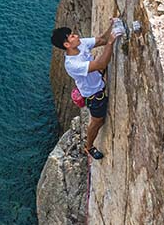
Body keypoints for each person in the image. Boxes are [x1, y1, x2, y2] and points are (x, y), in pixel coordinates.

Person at [51, 18, 126, 160]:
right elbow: (102, 63)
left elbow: (101, 40)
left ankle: (89, 144)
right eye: (72, 36)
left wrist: (112, 25)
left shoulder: (80, 45)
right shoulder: (72, 65)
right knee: (97, 121)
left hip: (99, 86)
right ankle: (89, 147)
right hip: (94, 95)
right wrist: (111, 42)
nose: (77, 36)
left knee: (100, 120)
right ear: (67, 44)